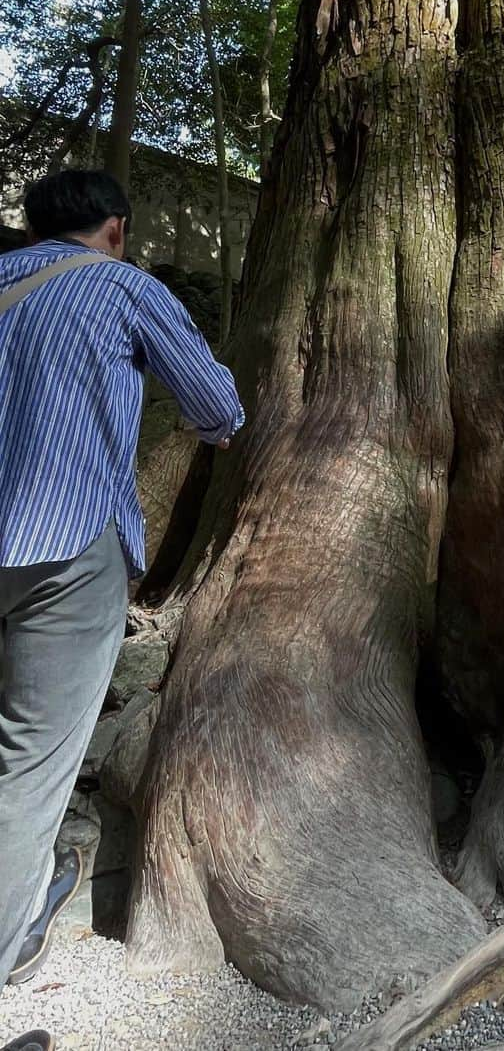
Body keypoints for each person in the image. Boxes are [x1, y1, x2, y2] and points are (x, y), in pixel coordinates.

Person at [0, 170, 244, 1038]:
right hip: (64, 545)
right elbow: (216, 404)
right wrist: (219, 429)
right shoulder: (125, 285)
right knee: (32, 751)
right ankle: (9, 938)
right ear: (114, 228)